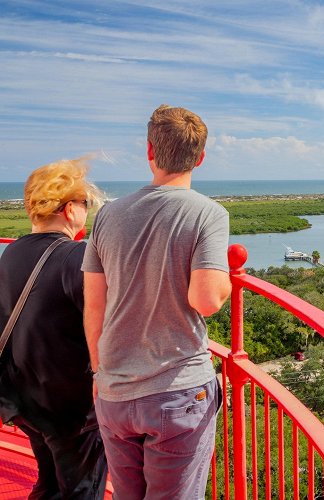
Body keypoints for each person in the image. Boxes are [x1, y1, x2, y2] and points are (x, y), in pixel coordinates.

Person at [82, 105, 232, 499]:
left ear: (150, 151)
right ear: (199, 158)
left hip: (114, 391)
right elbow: (207, 299)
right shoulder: (207, 213)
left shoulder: (108, 216)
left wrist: (100, 373)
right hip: (176, 390)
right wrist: (228, 283)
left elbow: (94, 305)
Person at [0, 159, 108, 499]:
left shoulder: (11, 252)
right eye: (84, 204)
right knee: (82, 490)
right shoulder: (77, 257)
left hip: (23, 400)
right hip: (69, 411)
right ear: (68, 209)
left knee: (48, 484)